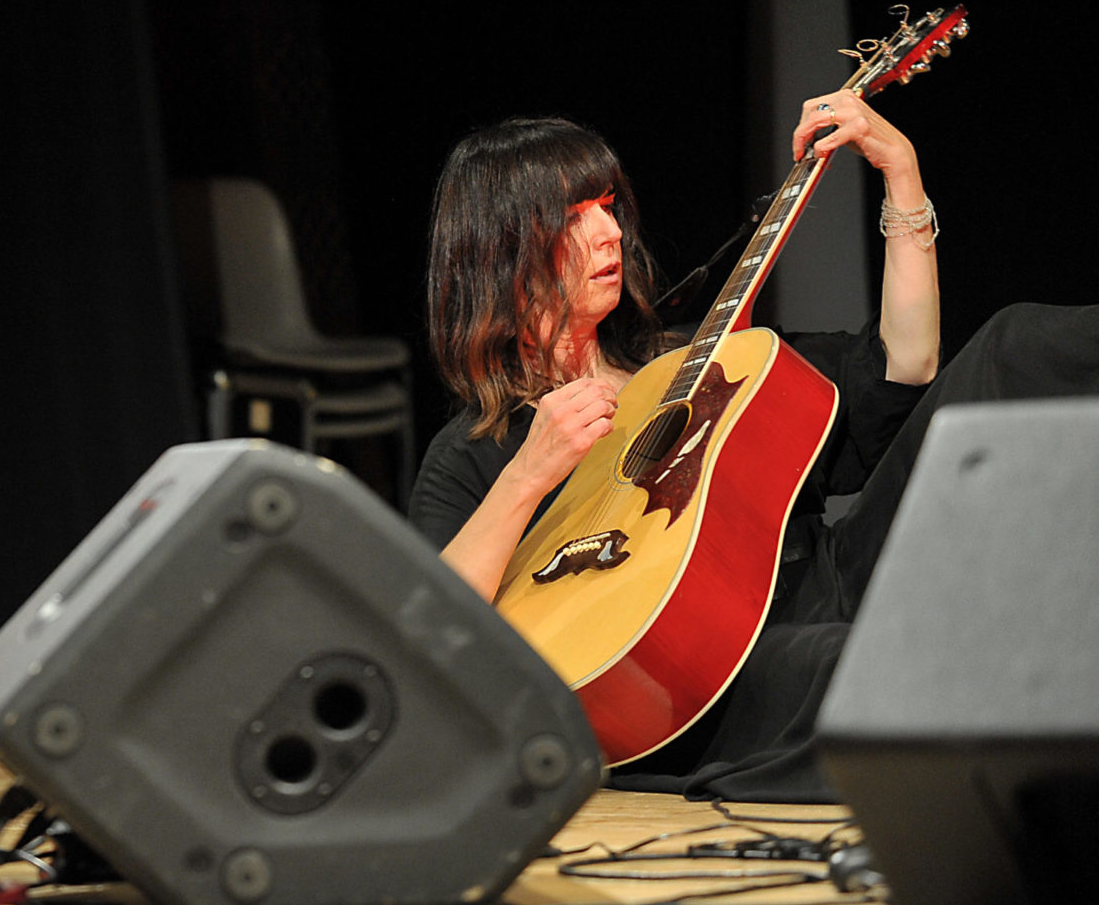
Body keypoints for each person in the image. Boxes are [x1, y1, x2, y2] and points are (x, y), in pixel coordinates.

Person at [408, 96, 1099, 801]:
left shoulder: (702, 364)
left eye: (609, 205)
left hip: (838, 577)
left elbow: (905, 364)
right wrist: (528, 475)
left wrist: (902, 174)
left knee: (1018, 345)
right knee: (876, 666)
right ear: (497, 247)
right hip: (721, 671)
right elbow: (434, 637)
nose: (610, 231)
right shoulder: (478, 450)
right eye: (573, 215)